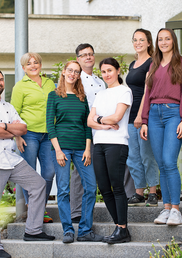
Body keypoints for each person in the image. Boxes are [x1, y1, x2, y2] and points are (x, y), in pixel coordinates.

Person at [0, 68, 55, 258]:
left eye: (1, 79)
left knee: (38, 184)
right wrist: (10, 130)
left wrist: (3, 127)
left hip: (10, 158)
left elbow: (23, 128)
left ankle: (32, 230)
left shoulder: (9, 107)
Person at [140, 28, 182, 226]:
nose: (163, 42)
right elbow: (148, 94)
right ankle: (166, 209)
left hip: (174, 113)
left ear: (173, 41)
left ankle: (176, 210)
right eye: (160, 39)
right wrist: (144, 120)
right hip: (154, 115)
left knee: (169, 161)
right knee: (161, 164)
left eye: (167, 39)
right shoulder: (153, 65)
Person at [46, 60, 103, 244]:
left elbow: (87, 125)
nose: (73, 74)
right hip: (61, 148)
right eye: (70, 70)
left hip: (81, 148)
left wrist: (88, 149)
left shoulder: (81, 96)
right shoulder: (53, 96)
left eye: (76, 71)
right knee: (63, 190)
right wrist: (58, 150)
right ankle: (68, 230)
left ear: (79, 75)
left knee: (91, 187)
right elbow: (50, 125)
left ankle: (85, 230)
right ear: (63, 72)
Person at [87, 57, 132, 244]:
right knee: (104, 188)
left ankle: (122, 229)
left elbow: (117, 117)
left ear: (118, 71)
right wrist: (102, 122)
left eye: (110, 71)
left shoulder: (125, 91)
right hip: (99, 144)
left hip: (117, 144)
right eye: (103, 72)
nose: (106, 75)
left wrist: (99, 119)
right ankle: (119, 227)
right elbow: (89, 121)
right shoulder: (100, 94)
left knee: (117, 186)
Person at [11, 53, 55, 223]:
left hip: (49, 134)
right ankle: (34, 209)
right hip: (28, 134)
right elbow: (14, 112)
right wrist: (17, 136)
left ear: (40, 65)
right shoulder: (20, 87)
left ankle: (40, 207)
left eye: (35, 62)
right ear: (23, 68)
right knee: (29, 173)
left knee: (49, 172)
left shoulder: (49, 83)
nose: (33, 65)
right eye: (28, 64)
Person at [69, 43, 106, 223]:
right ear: (78, 59)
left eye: (90, 54)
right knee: (80, 169)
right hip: (83, 130)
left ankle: (90, 208)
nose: (88, 57)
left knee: (98, 169)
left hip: (102, 130)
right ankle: (76, 211)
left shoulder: (101, 82)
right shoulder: (75, 80)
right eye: (84, 55)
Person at [125, 29, 160, 207]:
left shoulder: (152, 62)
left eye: (141, 40)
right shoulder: (132, 64)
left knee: (147, 154)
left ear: (148, 43)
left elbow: (148, 90)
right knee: (133, 156)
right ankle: (139, 192)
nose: (138, 43)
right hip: (129, 116)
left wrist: (141, 115)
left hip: (144, 114)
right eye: (135, 40)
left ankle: (152, 192)